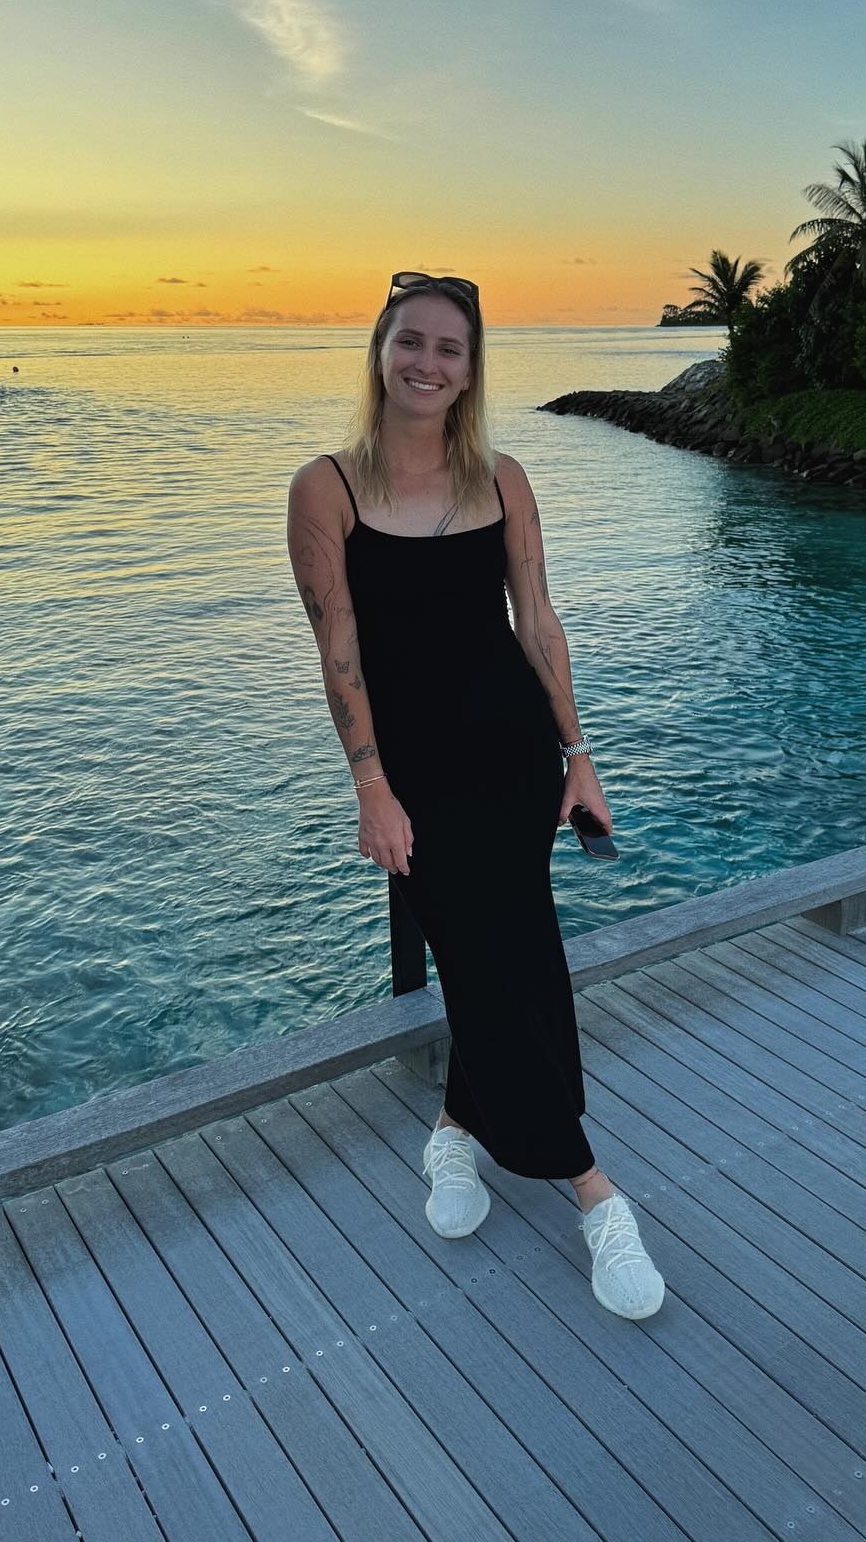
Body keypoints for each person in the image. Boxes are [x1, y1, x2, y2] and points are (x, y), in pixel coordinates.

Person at [285, 270, 665, 1321]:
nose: (426, 362)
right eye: (410, 340)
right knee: (494, 965)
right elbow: (338, 655)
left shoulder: (502, 478)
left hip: (512, 755)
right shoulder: (326, 488)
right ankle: (594, 1192)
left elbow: (538, 623)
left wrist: (579, 755)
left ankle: (456, 1133)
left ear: (470, 368)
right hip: (414, 776)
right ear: (380, 350)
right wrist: (370, 785)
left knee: (515, 952)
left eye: (448, 348)